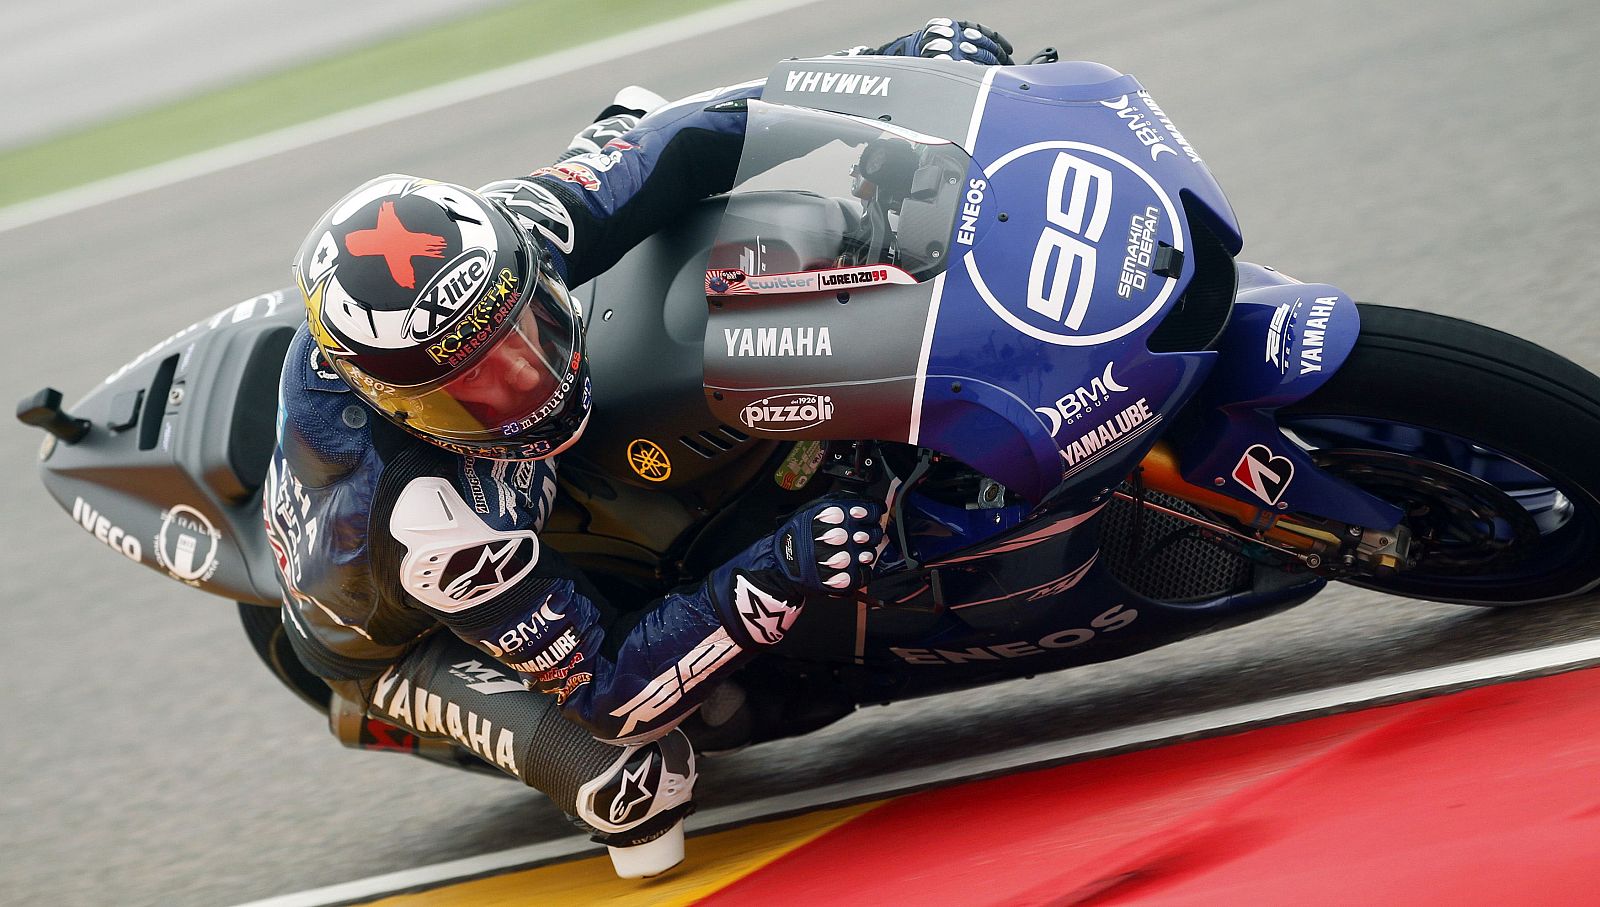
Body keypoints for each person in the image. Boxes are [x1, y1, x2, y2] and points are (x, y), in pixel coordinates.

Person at [265, 19, 1014, 879]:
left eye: (531, 327)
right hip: (400, 639)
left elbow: (680, 138)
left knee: (632, 125)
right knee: (640, 781)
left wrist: (896, 76)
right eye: (478, 388)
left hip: (505, 469)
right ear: (404, 408)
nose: (531, 380)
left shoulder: (497, 247)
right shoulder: (433, 524)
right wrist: (776, 568)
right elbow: (613, 691)